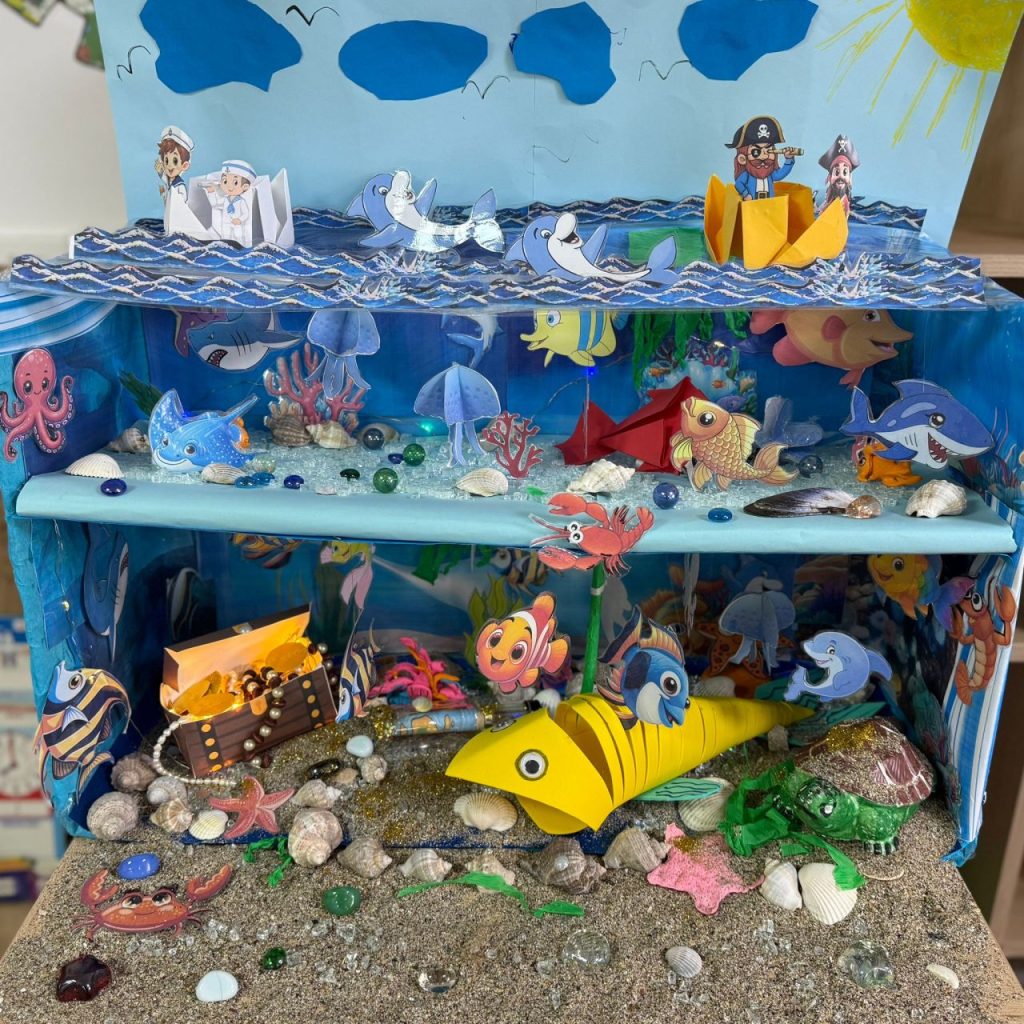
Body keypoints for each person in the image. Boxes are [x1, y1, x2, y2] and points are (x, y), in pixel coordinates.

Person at [725, 116, 801, 200]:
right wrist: (745, 194)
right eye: (756, 152)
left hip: (769, 204)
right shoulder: (747, 175)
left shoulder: (770, 174)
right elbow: (739, 184)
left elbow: (780, 174)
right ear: (742, 159)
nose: (765, 156)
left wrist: (789, 159)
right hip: (752, 205)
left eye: (769, 150)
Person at [204, 160, 256, 245]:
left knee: (239, 238)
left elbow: (246, 213)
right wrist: (211, 192)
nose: (229, 186)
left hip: (237, 224)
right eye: (225, 181)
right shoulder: (225, 199)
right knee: (226, 239)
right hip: (226, 224)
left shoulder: (241, 201)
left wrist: (240, 219)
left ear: (245, 187)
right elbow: (215, 204)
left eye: (235, 182)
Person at [818, 134, 860, 216]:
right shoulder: (823, 208)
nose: (841, 176)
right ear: (829, 177)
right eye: (837, 172)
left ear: (850, 177)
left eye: (845, 172)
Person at [155, 126, 193, 201]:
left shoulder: (180, 186)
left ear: (184, 165)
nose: (169, 165)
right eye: (166, 160)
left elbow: (181, 201)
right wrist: (163, 194)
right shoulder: (169, 181)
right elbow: (164, 178)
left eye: (175, 161)